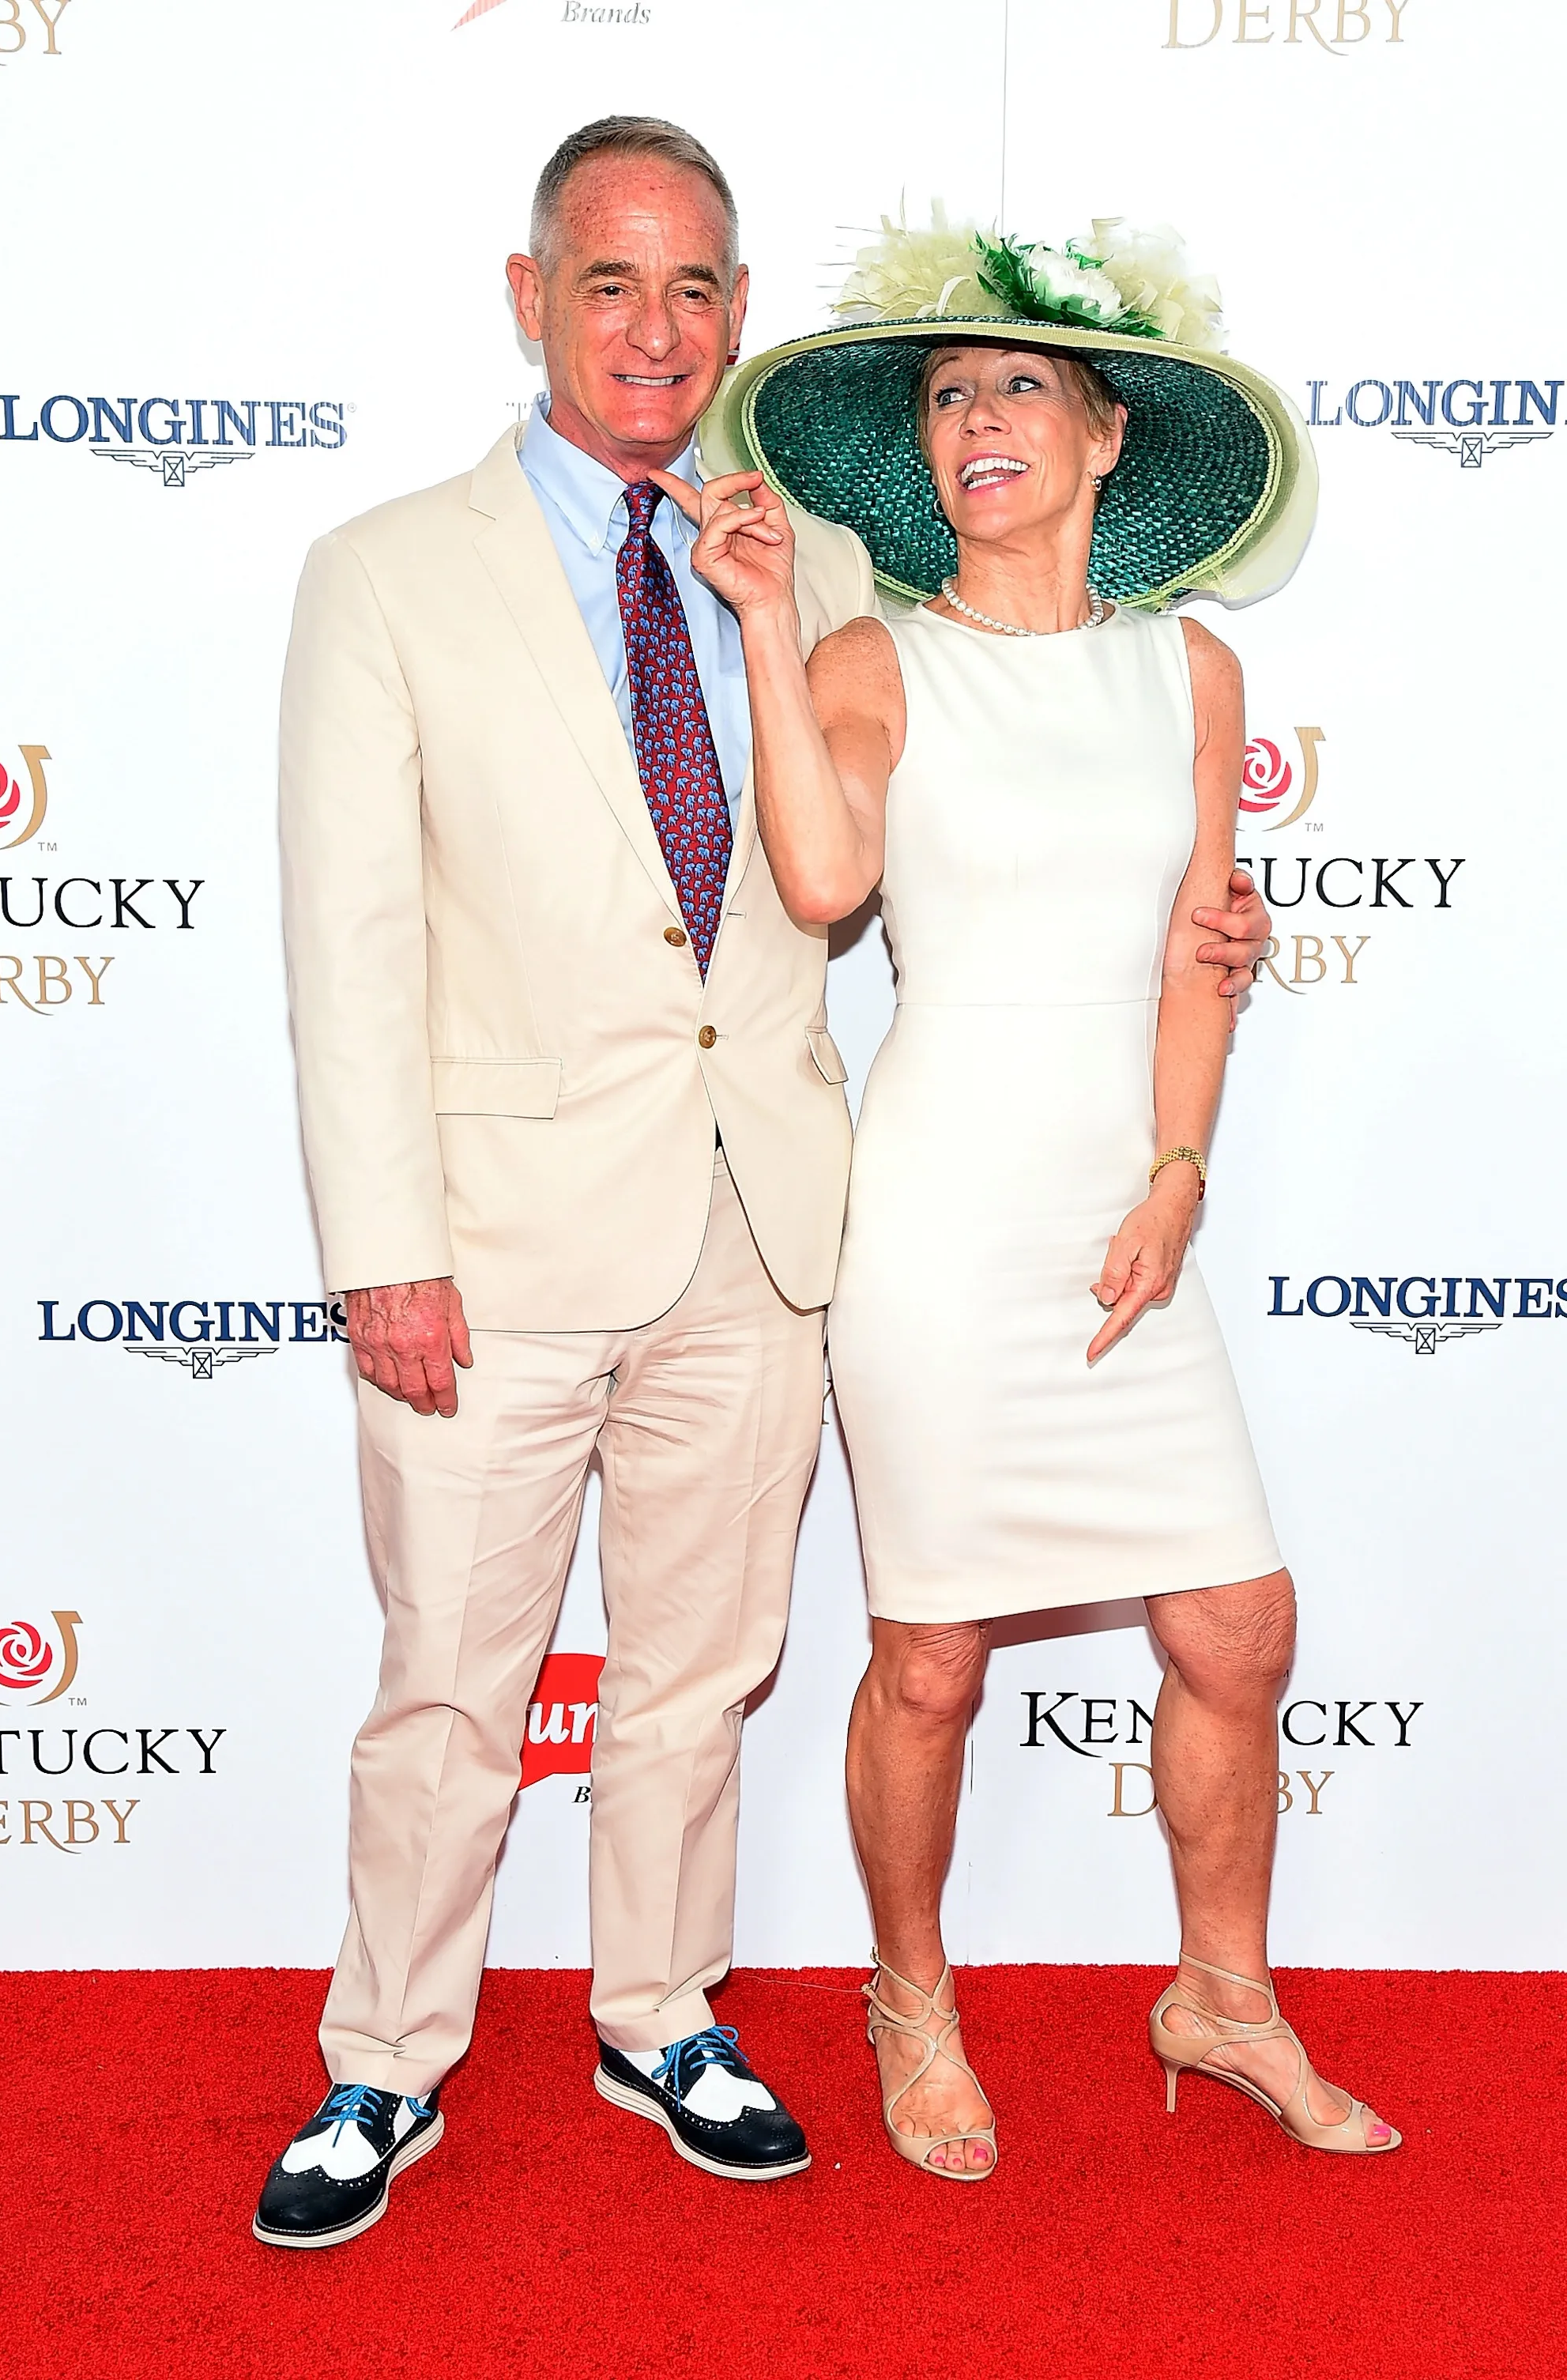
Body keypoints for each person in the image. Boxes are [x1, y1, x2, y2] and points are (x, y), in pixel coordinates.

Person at [256, 135, 1274, 2249]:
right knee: (453, 1673)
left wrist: (1193, 955)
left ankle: (661, 2007)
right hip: (500, 1235)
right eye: (610, 282)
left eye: (698, 287)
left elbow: (927, 824)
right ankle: (386, 2061)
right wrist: (384, 1253)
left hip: (776, 1221)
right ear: (528, 297)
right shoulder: (384, 572)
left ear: (734, 317)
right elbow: (347, 943)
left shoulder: (818, 559)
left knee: (701, 1669)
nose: (656, 327)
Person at [674, 210, 1398, 2179]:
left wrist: (1179, 1171)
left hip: (1124, 1196)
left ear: (1100, 437)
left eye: (1013, 385)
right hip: (939, 1211)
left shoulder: (1194, 669)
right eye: (940, 395)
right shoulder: (865, 653)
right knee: (929, 1651)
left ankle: (1220, 1993)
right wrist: (754, 624)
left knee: (1236, 1623)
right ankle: (910, 1994)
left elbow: (1192, 946)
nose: (972, 416)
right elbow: (824, 884)